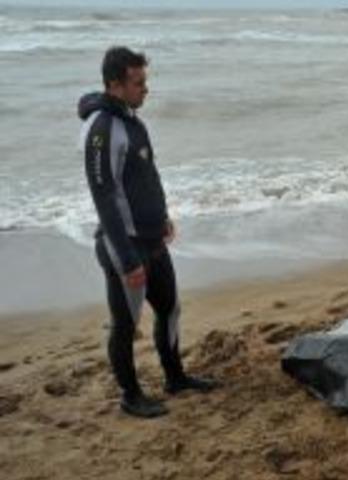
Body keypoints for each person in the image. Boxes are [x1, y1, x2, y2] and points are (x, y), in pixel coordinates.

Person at [79, 46, 218, 418]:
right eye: (138, 83)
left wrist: (162, 217)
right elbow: (104, 197)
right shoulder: (102, 129)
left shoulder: (131, 119)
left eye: (145, 81)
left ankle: (176, 378)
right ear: (115, 85)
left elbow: (146, 176)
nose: (146, 89)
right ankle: (131, 395)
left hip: (153, 240)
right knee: (125, 326)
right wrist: (127, 261)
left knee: (170, 309)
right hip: (125, 247)